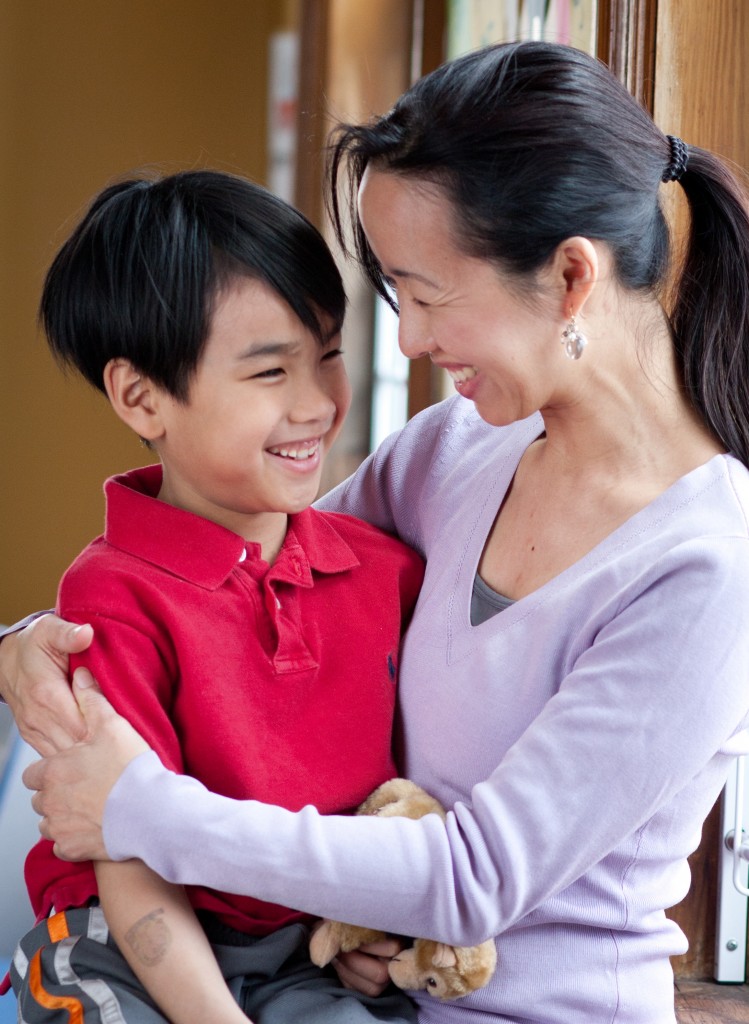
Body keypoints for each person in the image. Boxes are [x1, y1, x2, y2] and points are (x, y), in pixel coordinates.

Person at [3, 39, 749, 1024]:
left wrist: (141, 809)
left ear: (570, 279)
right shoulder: (451, 453)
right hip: (339, 991)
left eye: (427, 294)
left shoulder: (705, 563)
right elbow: (221, 590)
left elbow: (471, 877)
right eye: (394, 297)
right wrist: (29, 651)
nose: (404, 344)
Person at [0, 170, 424, 1024]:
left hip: (304, 951)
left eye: (330, 354)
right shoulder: (109, 599)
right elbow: (119, 846)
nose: (316, 403)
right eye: (269, 371)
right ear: (141, 396)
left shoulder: (385, 568)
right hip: (119, 939)